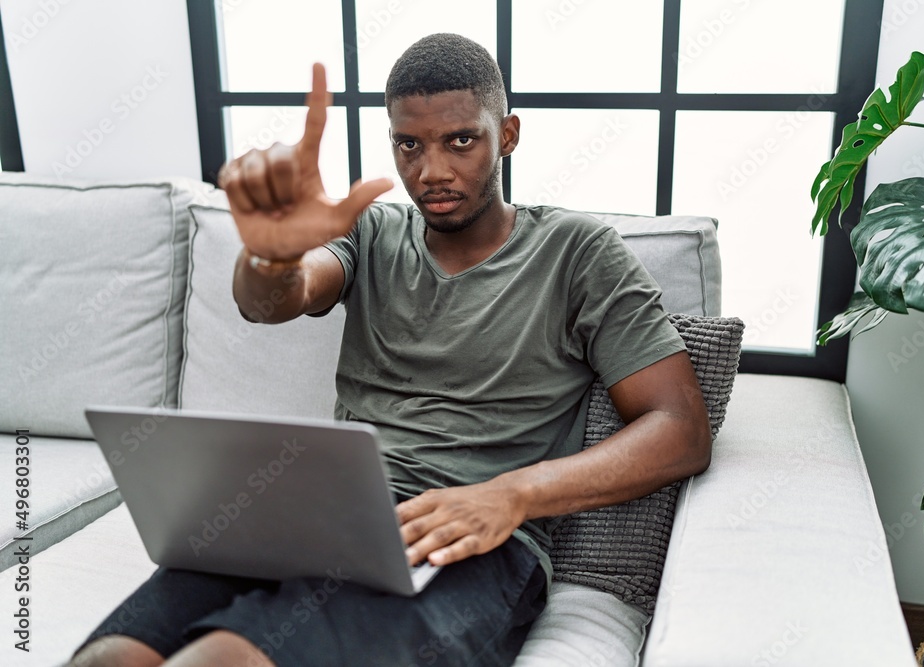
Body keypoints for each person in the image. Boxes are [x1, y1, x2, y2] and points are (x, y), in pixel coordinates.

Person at [70, 33, 711, 667]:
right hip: (319, 512)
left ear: (508, 135)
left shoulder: (578, 251)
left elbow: (679, 429)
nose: (432, 171)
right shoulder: (374, 231)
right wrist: (271, 253)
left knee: (223, 659)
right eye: (410, 144)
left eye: (461, 140)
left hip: (473, 541)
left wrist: (512, 495)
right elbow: (270, 301)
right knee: (112, 656)